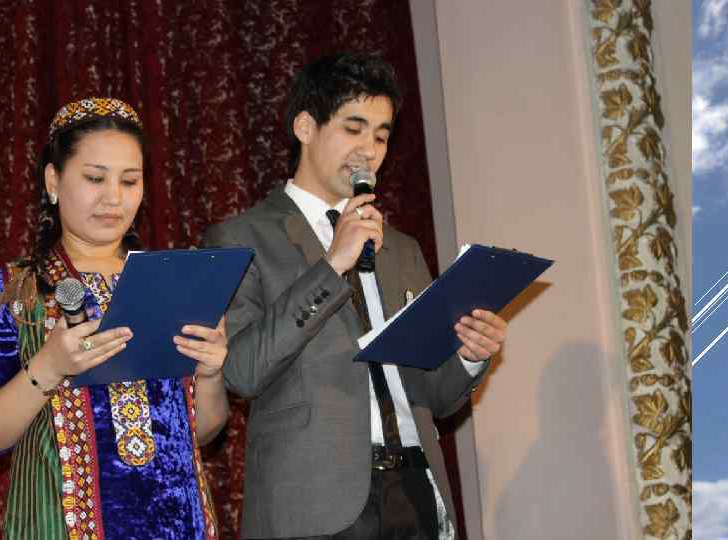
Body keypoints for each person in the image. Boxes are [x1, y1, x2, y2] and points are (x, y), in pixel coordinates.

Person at [203, 53, 508, 539]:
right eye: (353, 128)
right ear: (305, 127)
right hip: (314, 503)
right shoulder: (242, 238)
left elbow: (435, 395)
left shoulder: (402, 248)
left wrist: (470, 356)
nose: (369, 150)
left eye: (382, 136)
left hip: (415, 489)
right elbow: (242, 370)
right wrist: (331, 267)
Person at [0, 98, 226, 540]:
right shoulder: (14, 289)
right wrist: (49, 366)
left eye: (130, 181)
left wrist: (212, 373)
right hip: (57, 525)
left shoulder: (174, 280)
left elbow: (200, 433)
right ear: (53, 180)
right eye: (95, 178)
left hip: (180, 526)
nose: (113, 198)